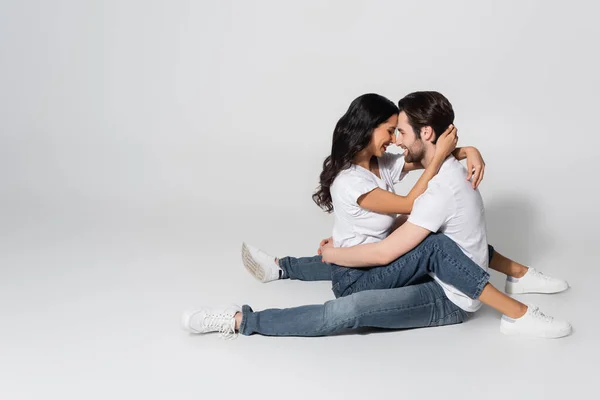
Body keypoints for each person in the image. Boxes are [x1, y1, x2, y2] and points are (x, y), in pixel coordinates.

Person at [182, 93, 570, 339]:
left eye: (399, 131)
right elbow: (403, 212)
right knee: (372, 280)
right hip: (363, 267)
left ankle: (519, 279)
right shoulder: (353, 182)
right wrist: (332, 257)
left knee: (436, 238)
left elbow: (420, 157)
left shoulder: (382, 163)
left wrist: (468, 149)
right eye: (391, 131)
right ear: (368, 131)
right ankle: (240, 319)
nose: (396, 140)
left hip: (378, 258)